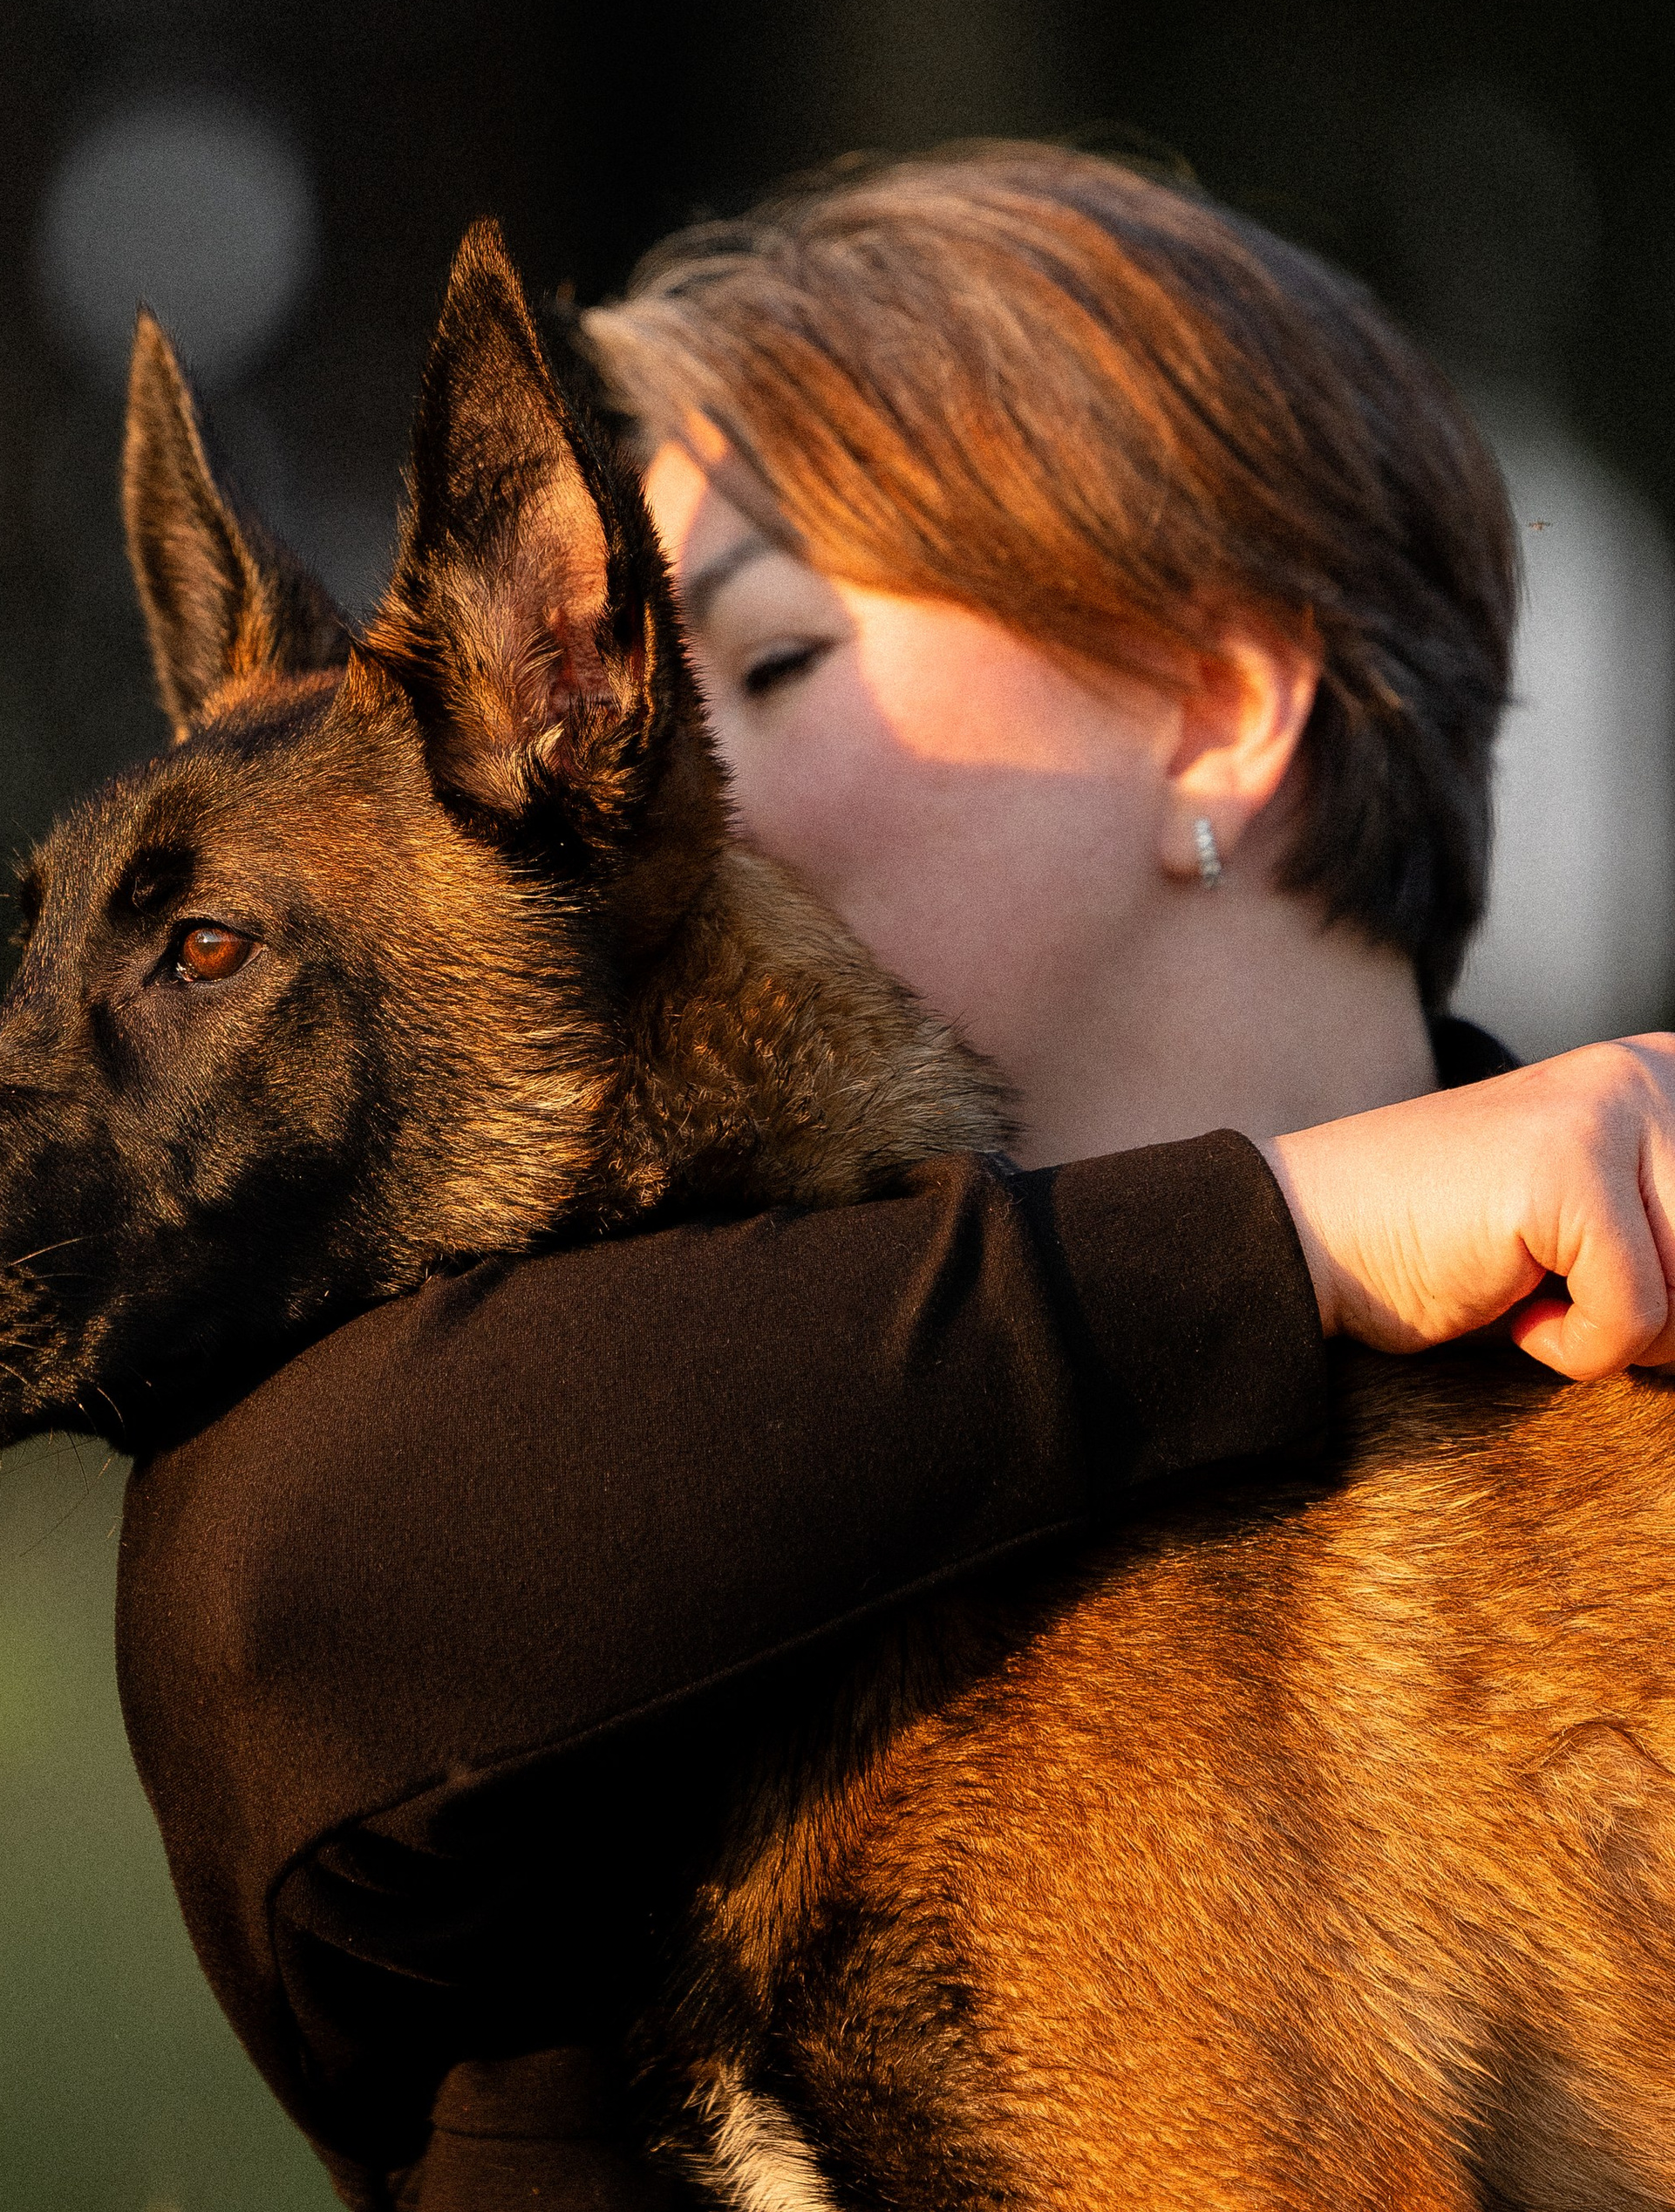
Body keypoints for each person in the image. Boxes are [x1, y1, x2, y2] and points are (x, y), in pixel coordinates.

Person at [113, 146, 1675, 2212]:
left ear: (1217, 712)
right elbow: (271, 1574)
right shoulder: (498, 1462)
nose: (633, 777)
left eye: (750, 668)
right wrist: (1273, 1237)